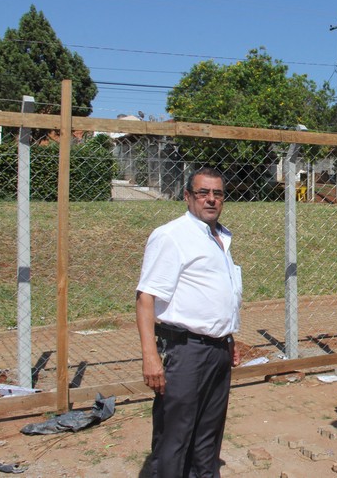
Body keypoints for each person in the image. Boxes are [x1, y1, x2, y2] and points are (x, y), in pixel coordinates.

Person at [136, 167, 243, 477]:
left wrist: (228, 339)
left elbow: (215, 297)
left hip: (217, 352)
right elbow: (145, 299)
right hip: (185, 353)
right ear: (187, 197)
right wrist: (150, 357)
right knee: (175, 438)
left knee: (208, 436)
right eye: (202, 193)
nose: (211, 199)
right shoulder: (171, 236)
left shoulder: (221, 238)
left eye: (217, 193)